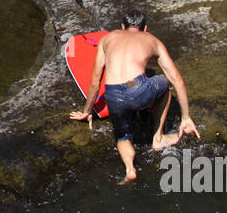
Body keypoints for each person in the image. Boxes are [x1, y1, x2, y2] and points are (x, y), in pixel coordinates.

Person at [70, 10, 200, 184]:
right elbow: (178, 80)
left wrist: (87, 111)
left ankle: (130, 169)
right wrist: (185, 117)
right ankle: (158, 139)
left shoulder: (107, 39)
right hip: (138, 89)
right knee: (163, 82)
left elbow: (95, 81)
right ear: (145, 28)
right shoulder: (152, 40)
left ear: (122, 27)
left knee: (122, 137)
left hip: (113, 94)